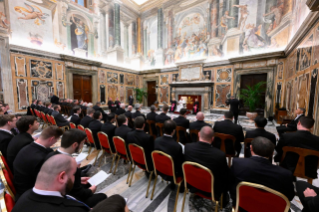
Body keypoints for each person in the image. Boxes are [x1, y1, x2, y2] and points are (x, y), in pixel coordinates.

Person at [46, 129, 107, 207]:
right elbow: (77, 193)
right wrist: (90, 190)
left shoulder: (50, 154)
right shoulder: (69, 164)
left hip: (56, 192)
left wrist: (78, 179)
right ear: (75, 144)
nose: (82, 145)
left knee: (87, 183)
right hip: (68, 199)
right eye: (82, 143)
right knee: (102, 196)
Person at [12, 154, 90, 212]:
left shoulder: (24, 196)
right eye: (74, 174)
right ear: (62, 177)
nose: (74, 179)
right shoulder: (73, 210)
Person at [230, 137, 295, 206]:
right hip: (271, 208)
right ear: (272, 153)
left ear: (251, 148)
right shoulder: (285, 174)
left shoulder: (238, 164)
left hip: (243, 206)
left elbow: (230, 186)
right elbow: (289, 197)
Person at [13, 126, 64, 201]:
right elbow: (46, 183)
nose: (55, 142)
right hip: (29, 194)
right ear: (52, 139)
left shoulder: (28, 147)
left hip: (21, 187)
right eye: (56, 140)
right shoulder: (39, 158)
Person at [184, 126, 229, 207]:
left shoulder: (187, 147)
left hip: (192, 184)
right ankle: (224, 202)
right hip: (211, 190)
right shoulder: (220, 155)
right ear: (213, 138)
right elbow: (224, 176)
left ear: (198, 134)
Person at [154, 120, 183, 185]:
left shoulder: (156, 140)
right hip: (172, 174)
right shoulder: (177, 146)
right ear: (173, 131)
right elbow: (179, 164)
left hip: (158, 169)